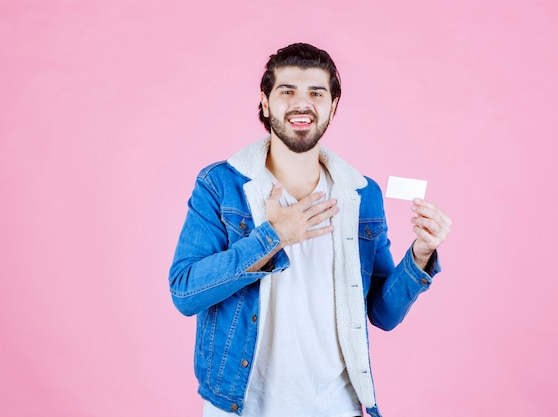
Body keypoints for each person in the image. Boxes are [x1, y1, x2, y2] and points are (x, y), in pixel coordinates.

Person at [169, 43, 451, 417]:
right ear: (266, 103)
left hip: (339, 407)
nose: (302, 104)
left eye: (316, 93)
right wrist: (272, 238)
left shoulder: (361, 194)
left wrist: (420, 255)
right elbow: (185, 291)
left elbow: (383, 314)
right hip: (240, 407)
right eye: (287, 91)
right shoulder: (222, 184)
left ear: (332, 107)